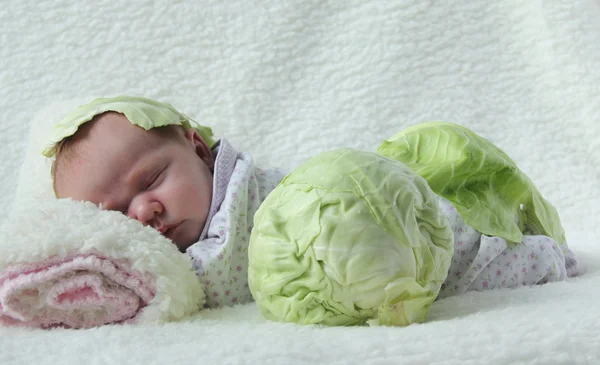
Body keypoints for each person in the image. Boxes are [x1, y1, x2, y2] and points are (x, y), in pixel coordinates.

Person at [45, 95, 579, 309]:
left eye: (152, 179)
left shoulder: (234, 201)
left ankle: (543, 256)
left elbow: (220, 277)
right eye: (116, 215)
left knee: (458, 255)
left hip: (376, 223)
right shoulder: (189, 219)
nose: (143, 212)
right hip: (356, 249)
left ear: (199, 149)